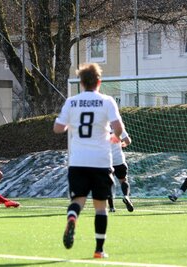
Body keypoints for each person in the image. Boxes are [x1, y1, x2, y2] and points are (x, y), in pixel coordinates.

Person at [53, 63, 124, 259]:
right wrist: (115, 136)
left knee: (78, 200)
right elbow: (118, 127)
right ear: (99, 82)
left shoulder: (72, 101)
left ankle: (72, 217)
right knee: (100, 207)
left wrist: (68, 124)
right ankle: (99, 250)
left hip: (77, 161)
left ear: (81, 83)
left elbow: (58, 128)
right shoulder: (107, 100)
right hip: (101, 161)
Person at [108, 130, 134, 212]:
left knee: (108, 183)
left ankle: (112, 207)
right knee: (123, 180)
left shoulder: (101, 127)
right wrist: (123, 144)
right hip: (119, 160)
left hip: (107, 160)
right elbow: (128, 141)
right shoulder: (118, 127)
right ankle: (126, 196)